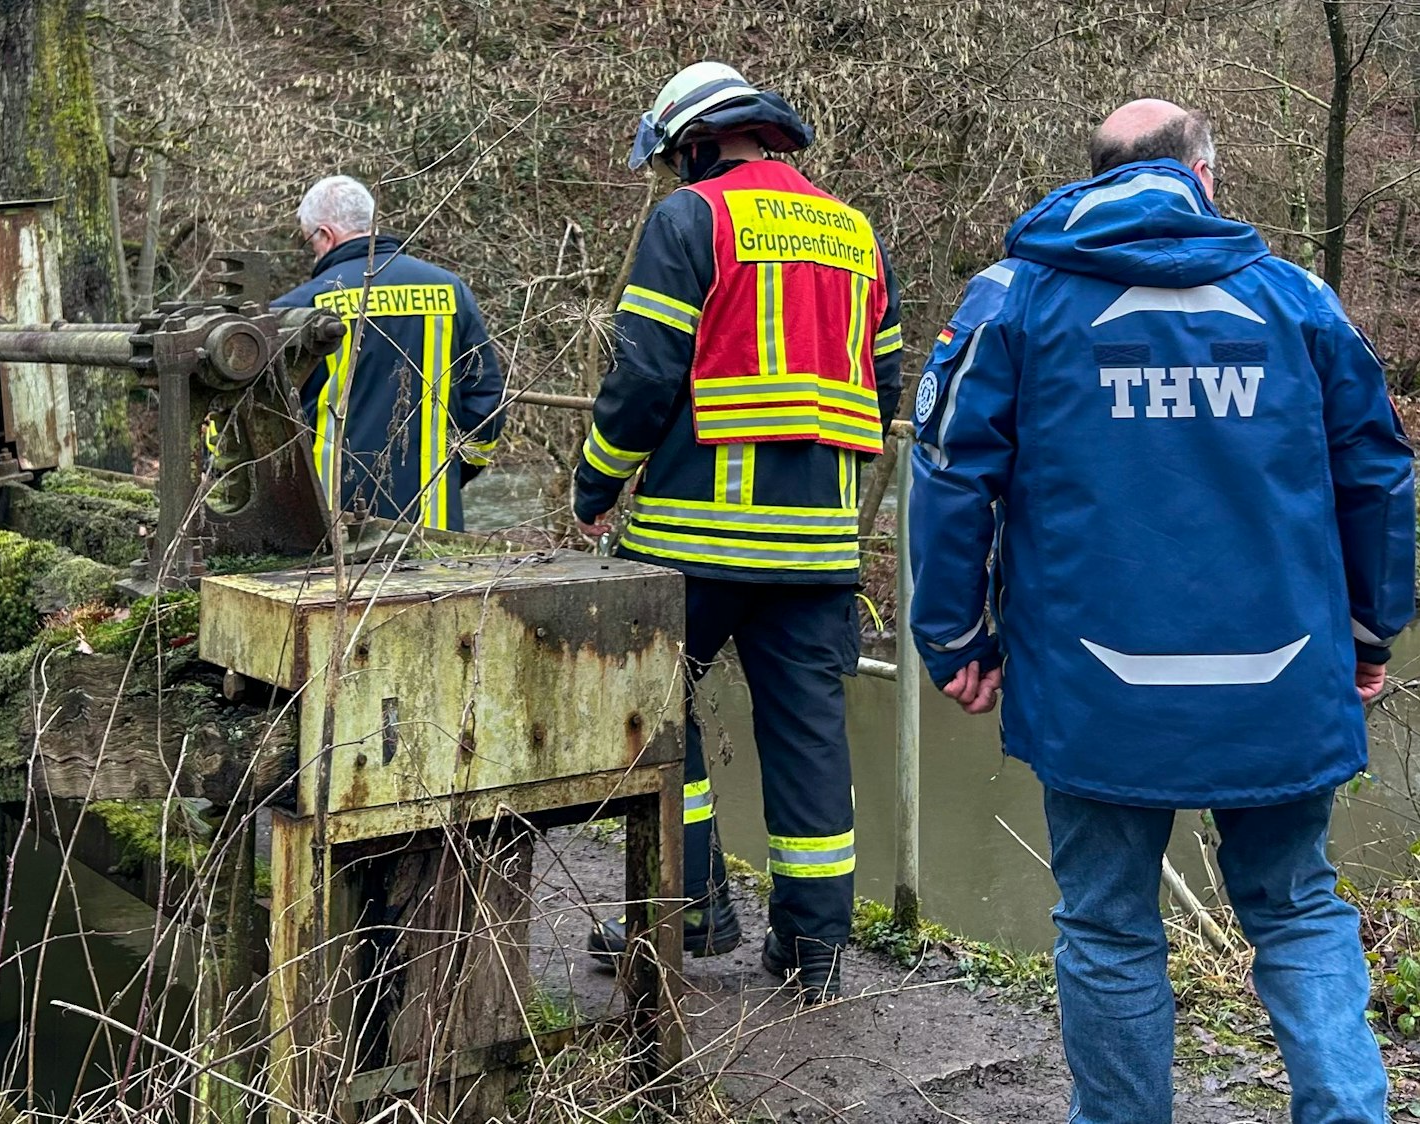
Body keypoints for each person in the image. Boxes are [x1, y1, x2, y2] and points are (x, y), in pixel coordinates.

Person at [908, 99, 1413, 1123]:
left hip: (1098, 684)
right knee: (1299, 907)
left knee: (1106, 924)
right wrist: (1369, 628)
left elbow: (949, 468)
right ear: (1205, 176)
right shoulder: (1298, 299)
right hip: (1279, 677)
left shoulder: (1017, 298)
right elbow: (1378, 471)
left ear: (1094, 175)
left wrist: (953, 634)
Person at [573, 61, 904, 1003]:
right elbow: (882, 383)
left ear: (697, 144)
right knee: (810, 742)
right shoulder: (854, 233)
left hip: (694, 540)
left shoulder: (692, 220)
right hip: (819, 551)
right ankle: (816, 950)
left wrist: (595, 478)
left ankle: (691, 910)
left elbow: (644, 375)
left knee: (652, 717)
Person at [272, 175, 506, 532]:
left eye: (311, 242)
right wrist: (452, 473)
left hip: (328, 527)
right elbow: (486, 404)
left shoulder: (301, 307)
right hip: (433, 520)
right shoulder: (450, 290)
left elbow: (264, 422)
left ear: (326, 235)